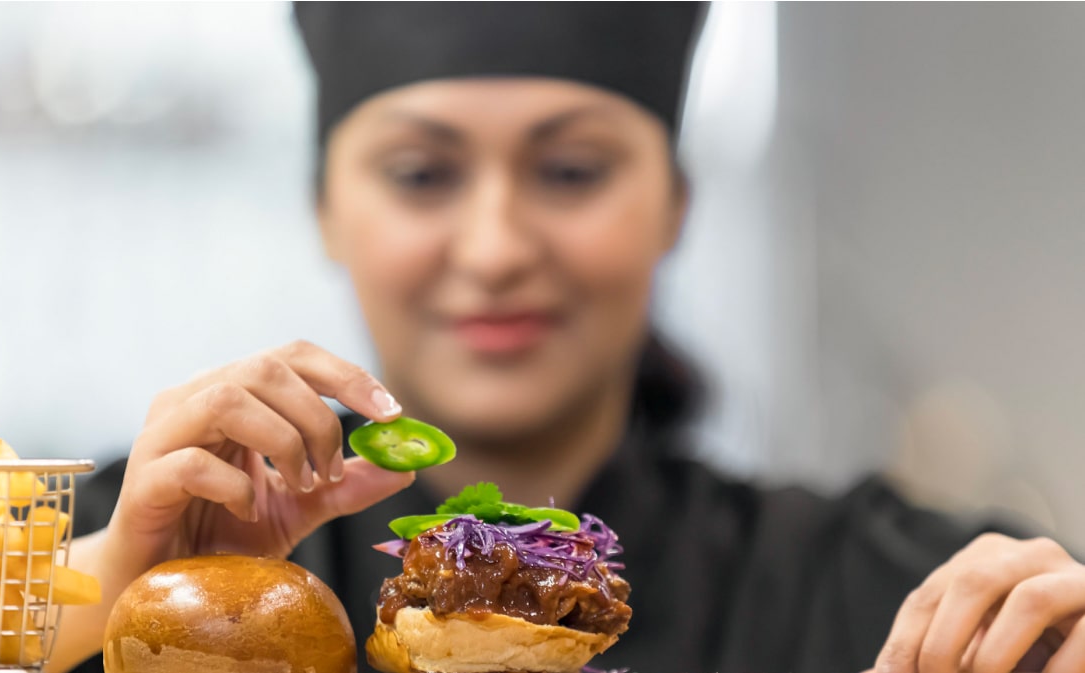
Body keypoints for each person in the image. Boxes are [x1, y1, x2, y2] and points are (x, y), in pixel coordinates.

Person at [52, 4, 1085, 673]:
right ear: (324, 205)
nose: (496, 248)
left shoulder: (868, 584)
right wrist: (105, 594)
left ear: (674, 204)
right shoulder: (124, 549)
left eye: (572, 171)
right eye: (421, 175)